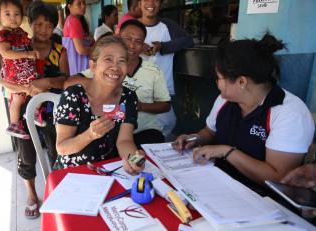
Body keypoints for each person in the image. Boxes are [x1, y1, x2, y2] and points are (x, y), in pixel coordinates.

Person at [174, 33, 315, 195]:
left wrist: (227, 151)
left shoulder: (290, 113)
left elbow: (278, 177)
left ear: (241, 82)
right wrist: (194, 139)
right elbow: (209, 131)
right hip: (214, 180)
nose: (216, 83)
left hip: (260, 198)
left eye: (219, 78)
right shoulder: (225, 99)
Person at [0, 1, 69, 219]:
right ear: (30, 24)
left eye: (49, 25)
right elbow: (1, 79)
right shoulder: (19, 45)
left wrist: (46, 82)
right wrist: (25, 89)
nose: (43, 30)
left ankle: (60, 190)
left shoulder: (60, 50)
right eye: (38, 24)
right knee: (26, 155)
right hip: (25, 111)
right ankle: (31, 195)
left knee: (58, 151)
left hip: (52, 111)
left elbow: (66, 80)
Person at [55, 35, 144, 175]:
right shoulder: (74, 96)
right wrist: (90, 135)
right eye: (108, 59)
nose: (115, 67)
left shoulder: (127, 98)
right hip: (74, 173)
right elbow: (62, 148)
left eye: (122, 61)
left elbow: (125, 140)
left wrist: (134, 159)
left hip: (110, 170)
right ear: (93, 66)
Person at [138, 0, 194, 139]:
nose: (151, 3)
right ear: (139, 3)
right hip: (137, 87)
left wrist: (163, 46)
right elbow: (120, 46)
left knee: (167, 123)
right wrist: (138, 45)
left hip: (162, 89)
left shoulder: (167, 25)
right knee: (138, 125)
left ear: (161, 4)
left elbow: (188, 40)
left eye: (155, 0)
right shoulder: (133, 26)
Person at [119, 19, 170, 147]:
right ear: (118, 38)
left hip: (146, 130)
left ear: (143, 45)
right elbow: (73, 81)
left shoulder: (153, 71)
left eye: (138, 42)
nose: (132, 45)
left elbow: (166, 105)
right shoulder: (108, 67)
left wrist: (140, 106)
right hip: (115, 129)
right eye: (128, 39)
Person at [0, 0, 39, 139]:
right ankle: (14, 124)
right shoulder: (4, 34)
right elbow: (5, 53)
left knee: (35, 91)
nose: (13, 18)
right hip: (15, 74)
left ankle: (34, 113)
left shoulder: (20, 32)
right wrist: (27, 54)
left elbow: (27, 47)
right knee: (18, 99)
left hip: (25, 72)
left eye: (17, 14)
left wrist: (33, 52)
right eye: (7, 14)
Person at [63, 0, 92, 75]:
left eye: (84, 3)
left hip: (73, 67)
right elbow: (81, 50)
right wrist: (97, 49)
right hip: (80, 68)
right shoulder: (74, 21)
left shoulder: (70, 20)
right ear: (69, 6)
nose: (83, 6)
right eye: (79, 4)